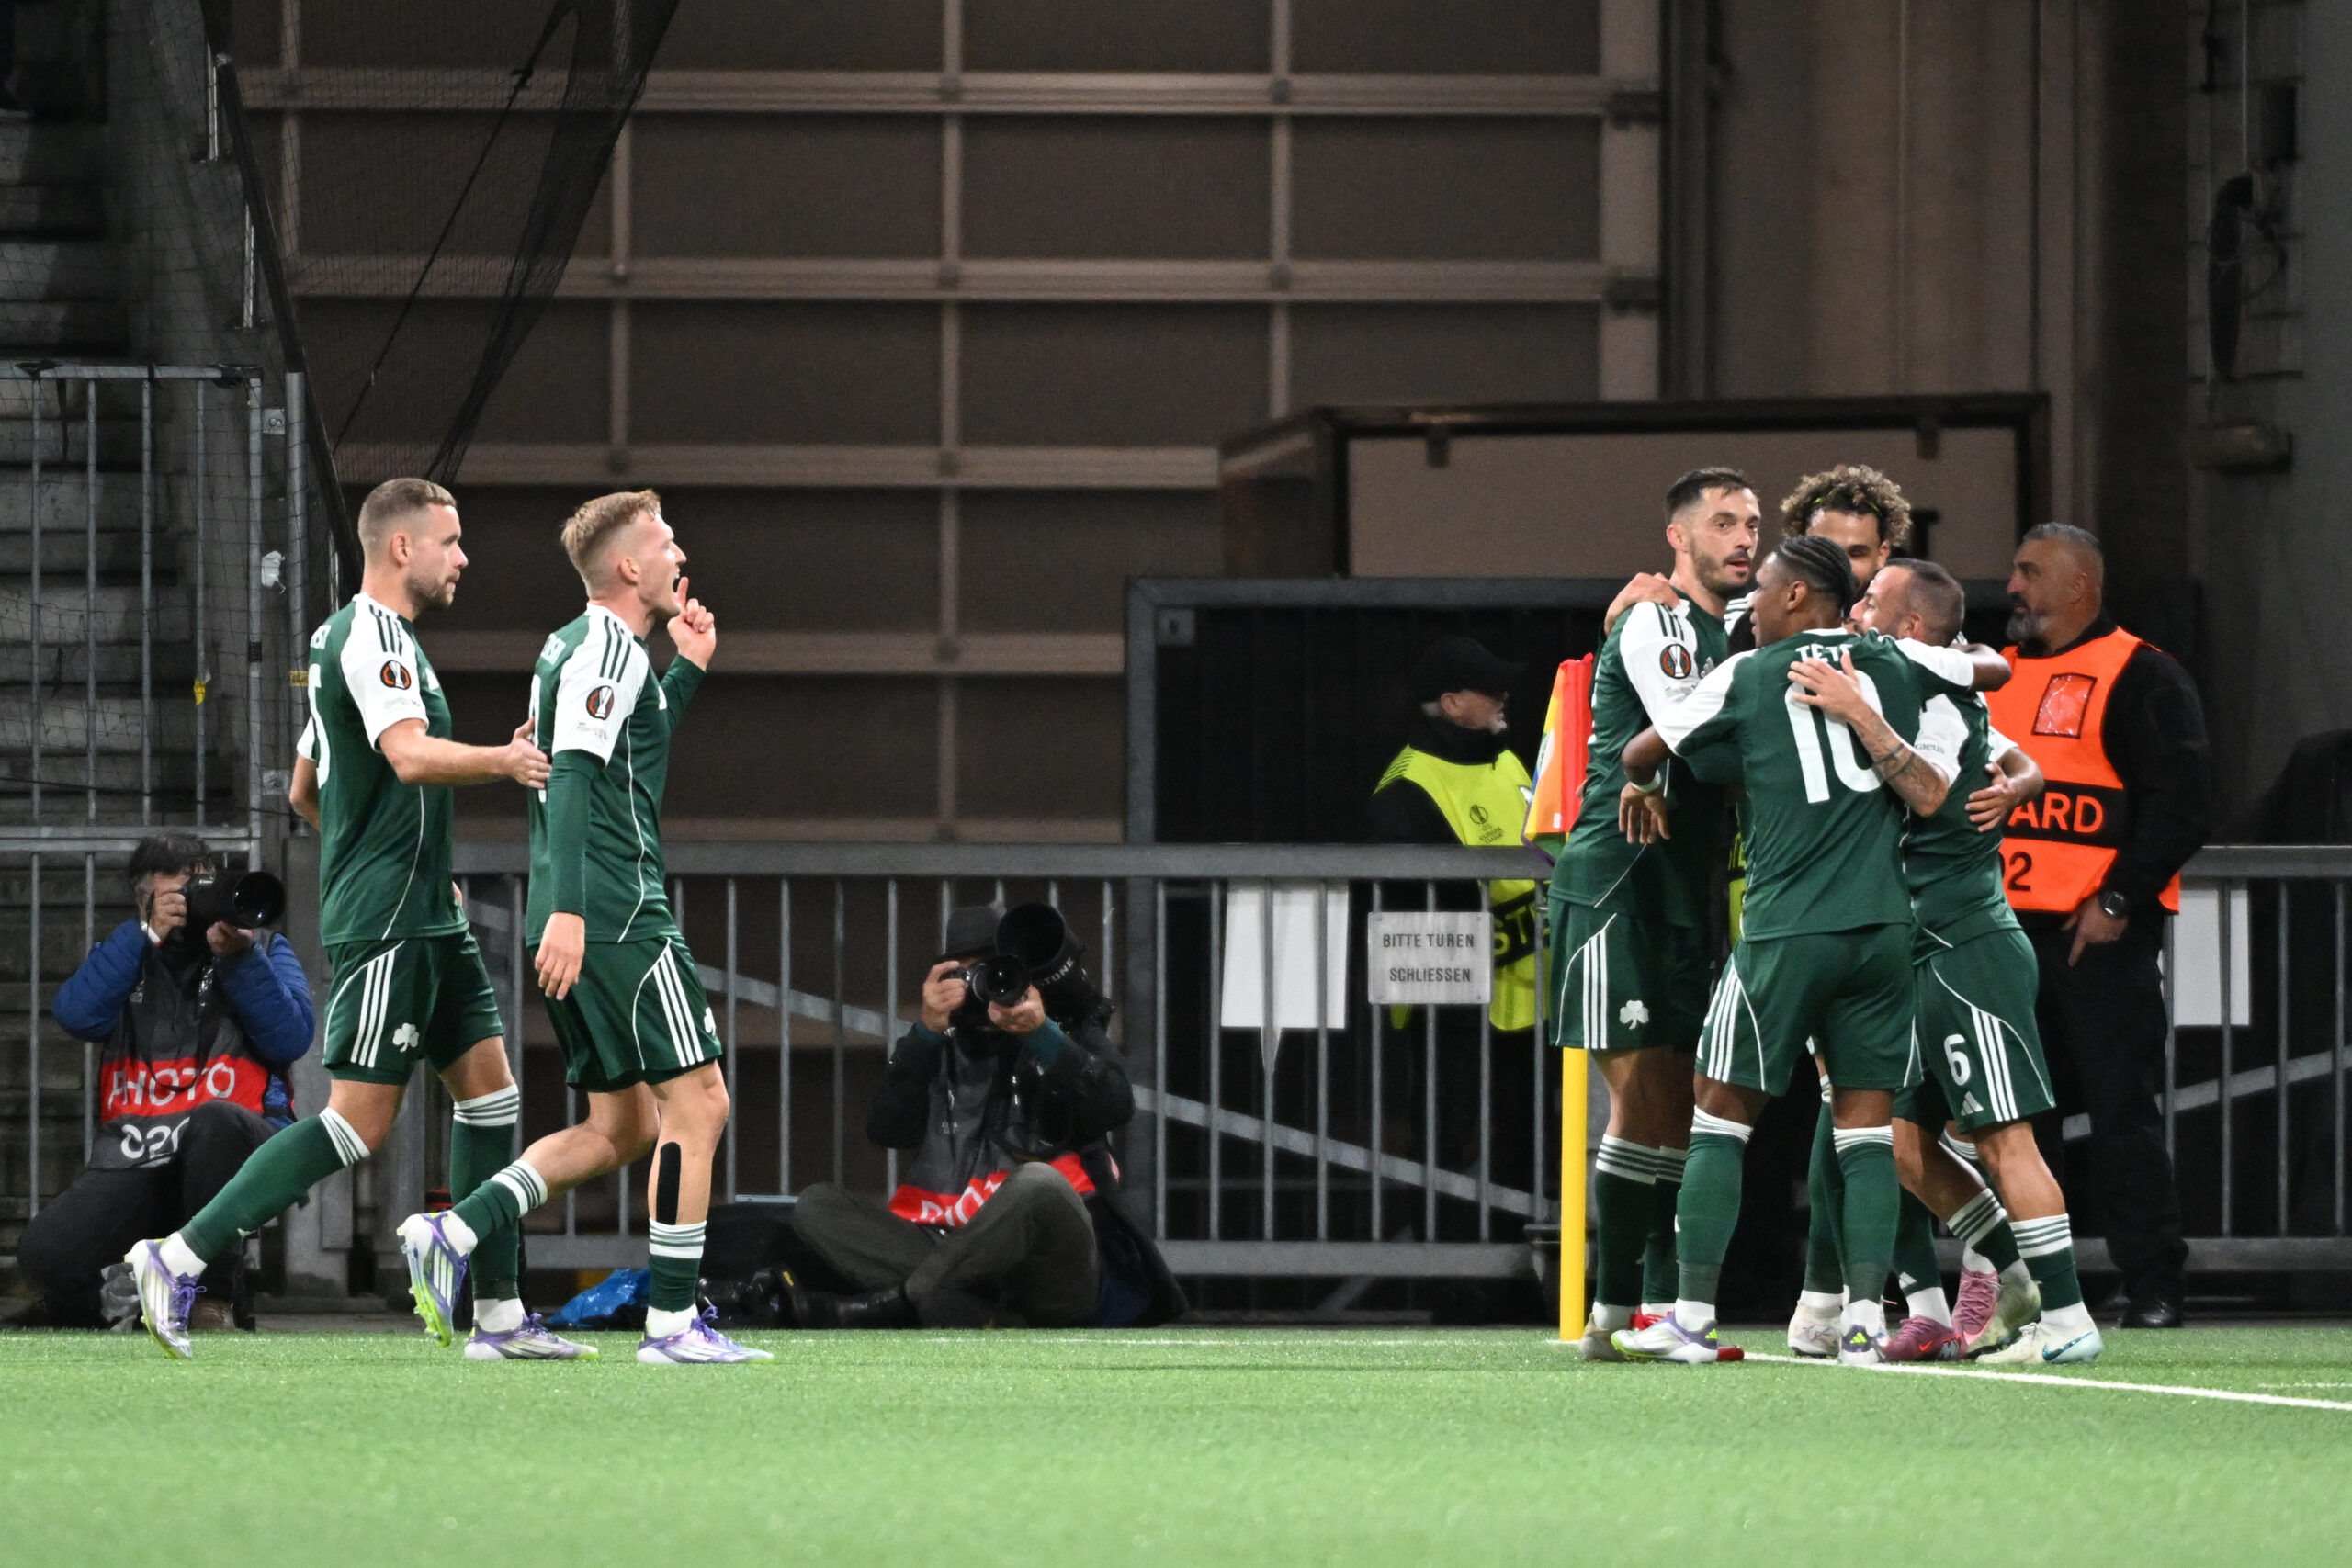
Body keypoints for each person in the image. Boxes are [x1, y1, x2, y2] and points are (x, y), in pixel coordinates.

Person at [124, 478, 553, 1360]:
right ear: (403, 546)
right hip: (391, 920)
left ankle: (500, 1316)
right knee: (358, 1122)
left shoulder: (341, 640)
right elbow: (405, 755)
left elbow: (304, 790)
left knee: (492, 1097)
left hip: (426, 912)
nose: (463, 557)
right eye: (451, 540)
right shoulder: (369, 636)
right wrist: (504, 762)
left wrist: (400, 857)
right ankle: (178, 1255)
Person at [395, 490, 763, 1364]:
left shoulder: (586, 645)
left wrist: (690, 666)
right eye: (667, 542)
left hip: (585, 911)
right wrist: (567, 911)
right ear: (629, 566)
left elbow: (631, 753)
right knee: (700, 1102)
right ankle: (672, 1324)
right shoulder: (603, 645)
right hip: (616, 914)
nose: (682, 555)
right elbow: (571, 773)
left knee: (622, 1129)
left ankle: (459, 1229)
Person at [1608, 536, 1989, 1365]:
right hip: (1884, 933)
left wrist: (1653, 777)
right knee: (1865, 1133)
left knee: (1718, 1113)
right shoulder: (1892, 660)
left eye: (1765, 589)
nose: (1752, 606)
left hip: (1786, 929)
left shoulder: (1749, 673)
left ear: (1791, 599)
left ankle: (1692, 1317)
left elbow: (1642, 751)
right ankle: (1860, 1321)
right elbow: (1982, 669)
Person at [1798, 559, 2103, 1365]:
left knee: (2007, 1138)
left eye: (1872, 600)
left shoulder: (1923, 690)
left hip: (1966, 942)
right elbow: (2004, 741)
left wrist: (1862, 713)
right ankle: (2014, 1274)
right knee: (1897, 1137)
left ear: (1909, 632)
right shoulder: (1908, 679)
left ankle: (2069, 1319)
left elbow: (1934, 788)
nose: (1856, 605)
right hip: (1912, 949)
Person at [1550, 467, 1755, 1358]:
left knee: (1675, 1102)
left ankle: (1661, 1315)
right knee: (1637, 1100)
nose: (1742, 537)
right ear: (1678, 537)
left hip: (1680, 886)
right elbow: (1687, 725)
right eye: (1722, 522)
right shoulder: (1659, 619)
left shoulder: (1733, 629)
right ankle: (1611, 1310)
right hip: (1616, 883)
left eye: (1752, 523)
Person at [1987, 523, 2211, 1329]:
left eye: (2028, 572)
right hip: (2005, 937)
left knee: (2123, 1112)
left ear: (2078, 586)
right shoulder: (1993, 673)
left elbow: (2183, 802)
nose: (2012, 586)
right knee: (2019, 1123)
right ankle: (2038, 1288)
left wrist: (2117, 900)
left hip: (2097, 939)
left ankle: (2153, 1280)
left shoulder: (2142, 674)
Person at [784, 904, 1186, 1330]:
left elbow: (1116, 1105)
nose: (984, 985)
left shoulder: (1066, 1030)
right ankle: (976, 1309)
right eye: (967, 973)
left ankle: (904, 1301)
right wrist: (925, 1033)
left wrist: (1041, 1036)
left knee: (1040, 1182)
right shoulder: (939, 1043)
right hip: (952, 1252)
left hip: (1050, 1273)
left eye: (996, 970)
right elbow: (888, 1129)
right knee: (816, 1206)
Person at [18, 835, 312, 1329]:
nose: (190, 907)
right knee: (43, 1255)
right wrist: (142, 936)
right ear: (142, 899)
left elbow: (291, 1038)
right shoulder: (126, 955)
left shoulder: (261, 949)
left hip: (239, 1151)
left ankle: (213, 1300)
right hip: (140, 1157)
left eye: (199, 890)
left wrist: (239, 960)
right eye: (175, 895)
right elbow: (77, 1015)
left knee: (215, 1121)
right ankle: (119, 1304)